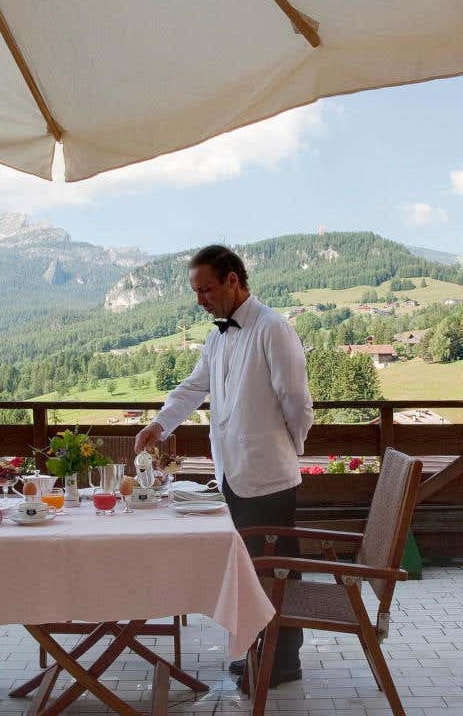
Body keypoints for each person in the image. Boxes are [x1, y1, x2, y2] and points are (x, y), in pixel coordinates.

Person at [134, 244, 313, 686]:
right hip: (232, 474)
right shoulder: (217, 337)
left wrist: (287, 449)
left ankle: (282, 661)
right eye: (196, 292)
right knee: (251, 572)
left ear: (233, 280)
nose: (201, 300)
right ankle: (259, 648)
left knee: (275, 570)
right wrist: (160, 424)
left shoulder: (273, 328)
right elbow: (193, 387)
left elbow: (297, 403)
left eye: (206, 289)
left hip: (269, 475)